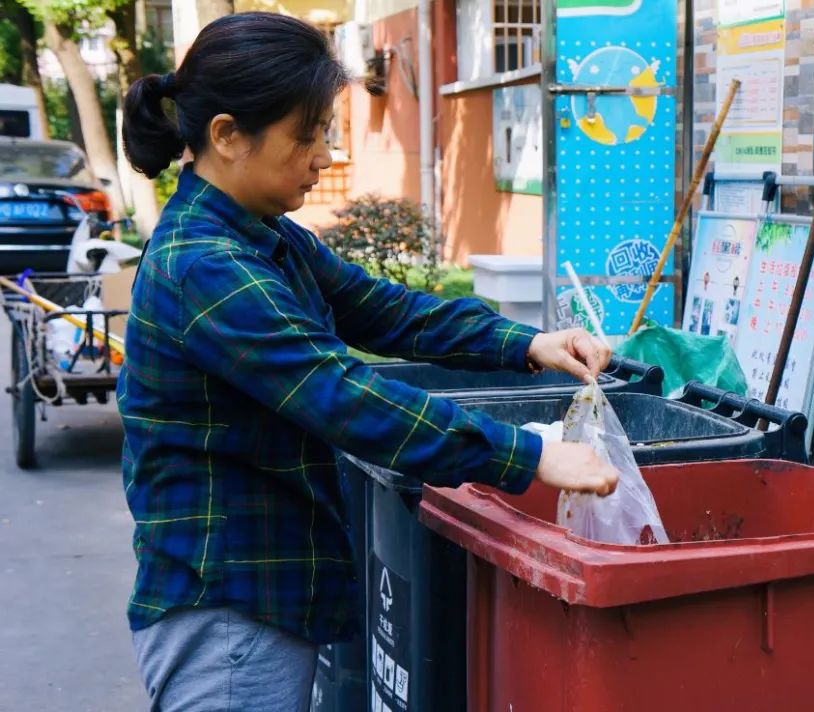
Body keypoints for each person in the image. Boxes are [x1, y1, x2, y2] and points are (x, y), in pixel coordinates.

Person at [119, 12, 618, 711]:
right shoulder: (204, 269)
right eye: (308, 134)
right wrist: (528, 456)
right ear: (228, 136)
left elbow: (382, 309)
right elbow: (340, 393)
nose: (323, 156)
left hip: (261, 598)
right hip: (227, 609)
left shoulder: (267, 239)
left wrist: (526, 344)